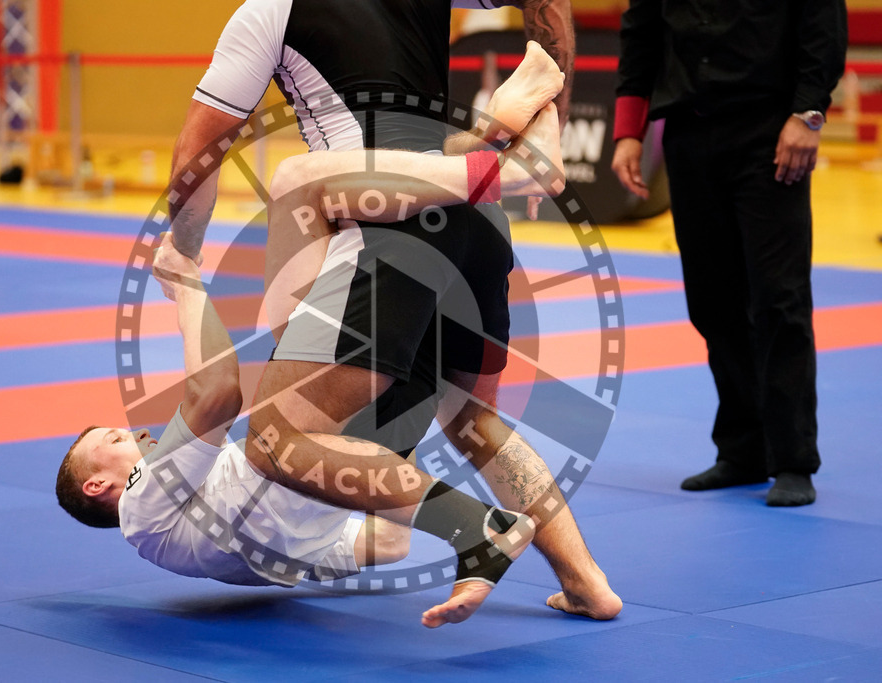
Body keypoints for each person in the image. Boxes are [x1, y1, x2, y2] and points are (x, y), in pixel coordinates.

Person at [168, 0, 621, 627]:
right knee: (474, 420)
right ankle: (587, 583)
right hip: (477, 218)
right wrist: (554, 120)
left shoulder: (266, 13)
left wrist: (181, 249)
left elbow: (197, 152)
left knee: (276, 440)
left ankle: (479, 531)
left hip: (388, 215)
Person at [56, 136, 567, 610]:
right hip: (349, 417)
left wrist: (376, 489)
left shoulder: (253, 561)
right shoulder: (141, 513)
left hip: (386, 426)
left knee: (419, 221)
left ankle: (508, 140)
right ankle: (514, 145)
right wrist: (185, 281)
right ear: (99, 485)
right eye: (114, 437)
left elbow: (389, 545)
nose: (137, 432)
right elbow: (216, 393)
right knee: (305, 188)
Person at [611, 0, 848, 506]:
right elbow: (641, 32)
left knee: (777, 299)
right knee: (712, 301)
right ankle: (743, 451)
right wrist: (629, 132)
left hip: (769, 132)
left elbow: (821, 25)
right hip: (689, 134)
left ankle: (791, 459)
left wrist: (808, 114)